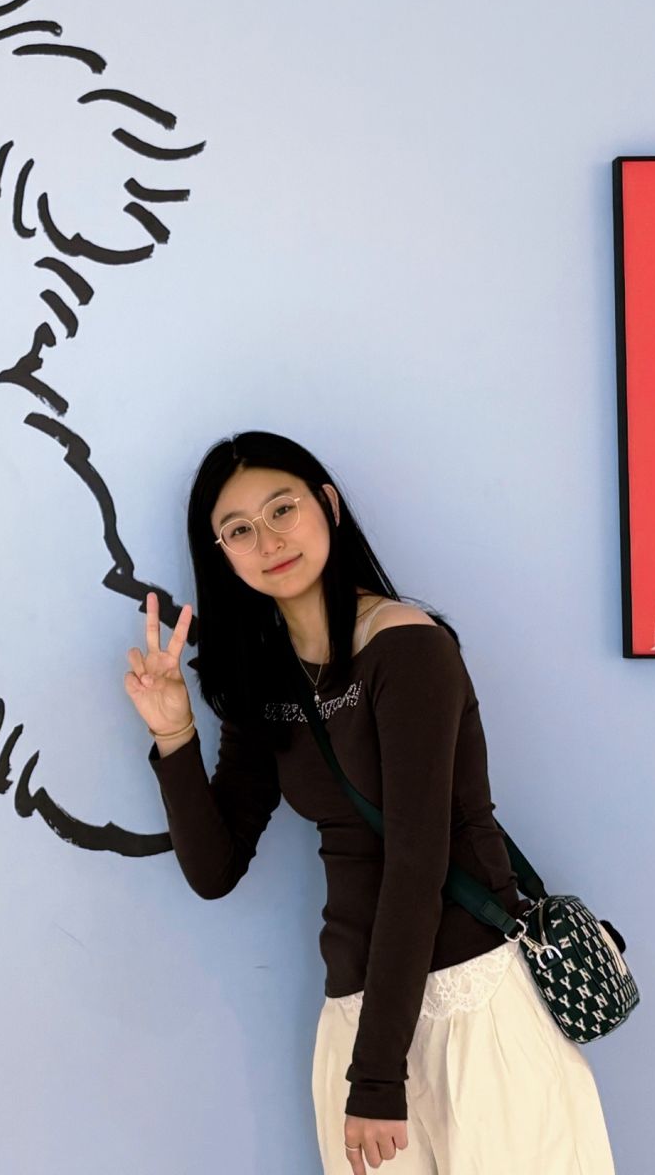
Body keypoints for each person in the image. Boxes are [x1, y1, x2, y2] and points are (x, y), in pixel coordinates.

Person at [124, 431, 615, 1173]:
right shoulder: (262, 683)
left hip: (472, 1006)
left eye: (282, 509)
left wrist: (379, 1080)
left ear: (327, 504)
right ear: (222, 554)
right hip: (357, 1018)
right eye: (239, 530)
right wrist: (174, 734)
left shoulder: (408, 648)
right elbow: (214, 870)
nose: (269, 541)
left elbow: (418, 864)